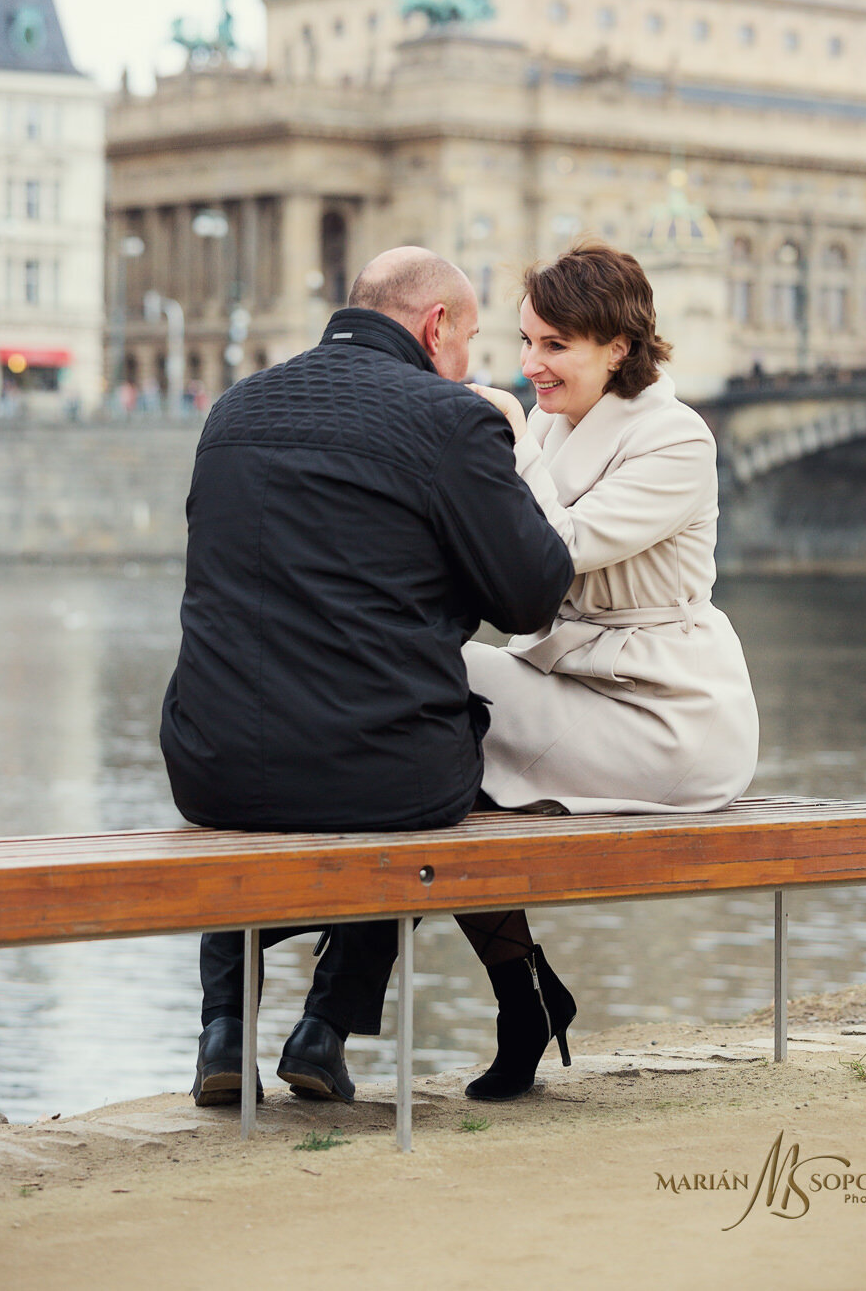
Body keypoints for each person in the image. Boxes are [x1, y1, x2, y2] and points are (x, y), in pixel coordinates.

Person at [160, 246, 573, 1107]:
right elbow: (533, 594)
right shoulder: (450, 419)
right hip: (383, 772)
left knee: (269, 758)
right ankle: (324, 1028)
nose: (470, 365)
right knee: (412, 765)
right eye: (467, 342)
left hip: (209, 766)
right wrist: (511, 448)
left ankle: (223, 1030)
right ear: (436, 328)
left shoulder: (232, 411)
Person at [454, 239, 760, 1100]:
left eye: (554, 346)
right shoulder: (554, 422)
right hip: (569, 680)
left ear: (617, 347)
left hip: (664, 712)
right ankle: (522, 997)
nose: (529, 366)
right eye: (525, 342)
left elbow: (554, 551)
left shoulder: (676, 437)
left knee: (421, 705)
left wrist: (504, 438)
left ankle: (503, 999)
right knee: (415, 722)